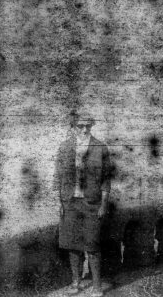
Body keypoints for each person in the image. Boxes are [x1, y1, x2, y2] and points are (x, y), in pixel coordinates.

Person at [54, 112, 114, 296]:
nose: (84, 129)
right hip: (70, 202)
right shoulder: (65, 147)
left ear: (92, 126)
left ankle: (96, 286)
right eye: (80, 126)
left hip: (92, 203)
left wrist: (103, 204)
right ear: (73, 127)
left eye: (87, 126)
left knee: (92, 244)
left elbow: (106, 179)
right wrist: (59, 202)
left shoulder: (100, 147)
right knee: (72, 245)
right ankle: (76, 283)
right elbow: (58, 176)